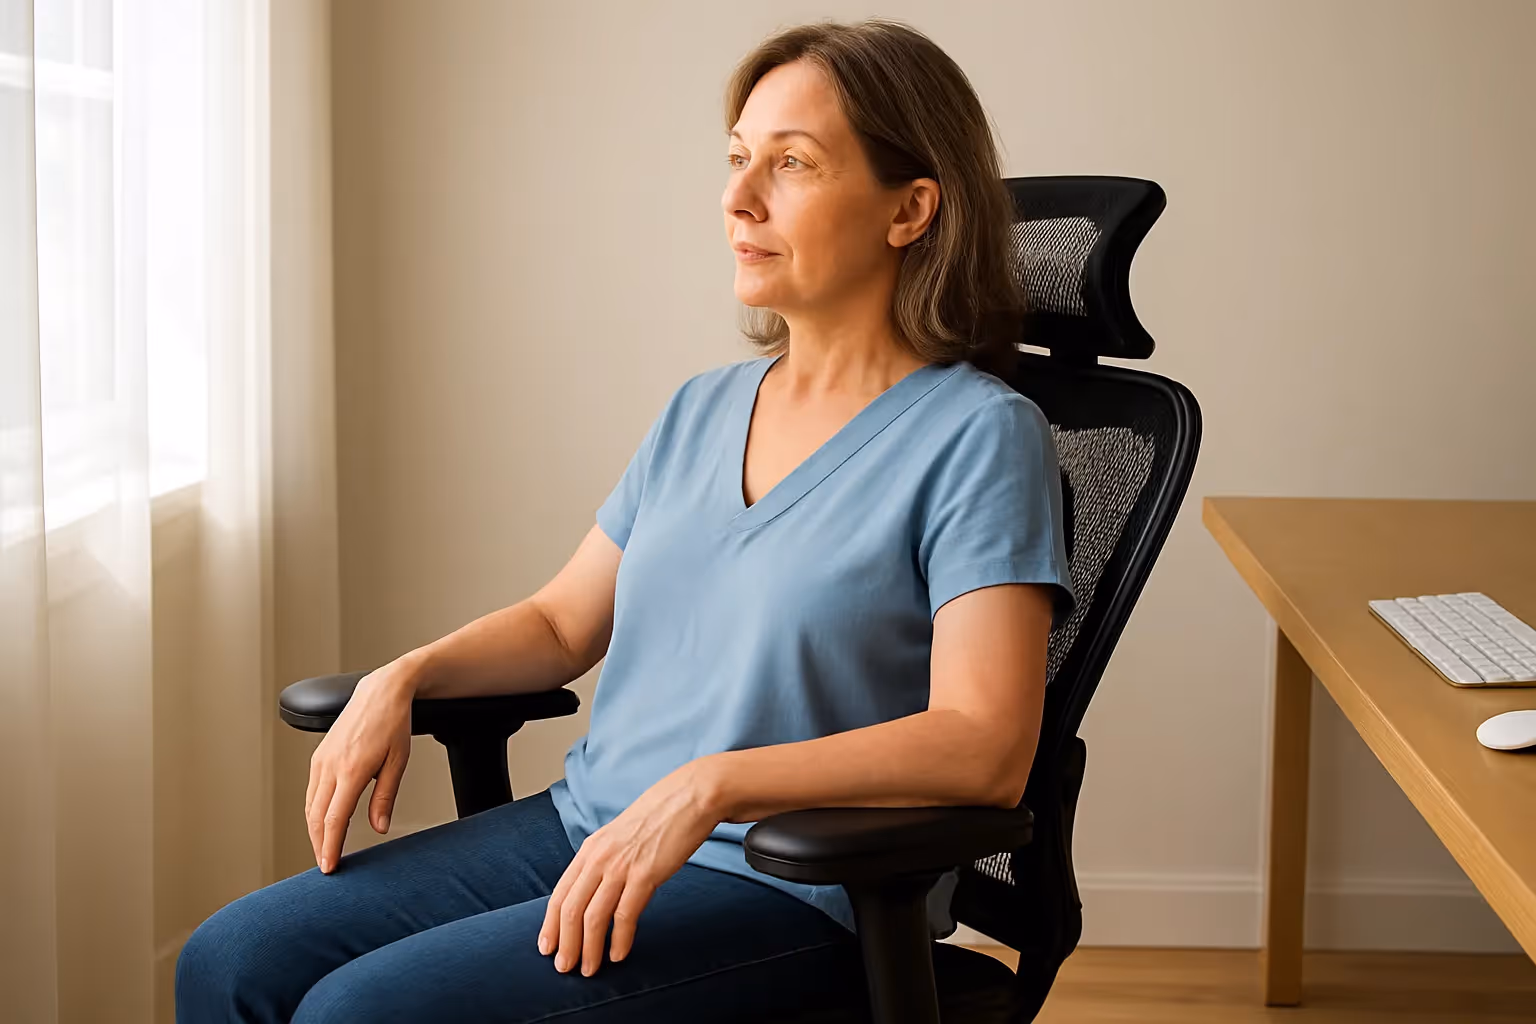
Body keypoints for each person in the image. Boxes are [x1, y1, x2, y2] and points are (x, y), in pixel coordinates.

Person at [176, 17, 1074, 1023]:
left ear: (909, 209)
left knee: (359, 1014)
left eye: (793, 163)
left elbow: (984, 744)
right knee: (227, 962)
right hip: (589, 827)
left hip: (794, 886)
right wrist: (406, 674)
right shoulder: (705, 406)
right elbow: (563, 625)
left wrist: (713, 786)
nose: (739, 199)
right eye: (738, 158)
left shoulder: (980, 437)